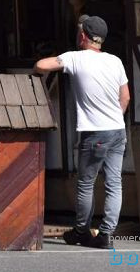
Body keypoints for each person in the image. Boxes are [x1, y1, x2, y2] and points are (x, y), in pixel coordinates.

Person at [34, 15, 128, 250]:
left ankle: (82, 231)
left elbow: (41, 65)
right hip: (117, 129)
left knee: (86, 183)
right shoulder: (115, 61)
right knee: (114, 183)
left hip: (93, 132)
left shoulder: (75, 58)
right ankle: (106, 234)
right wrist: (114, 117)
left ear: (83, 36)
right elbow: (125, 97)